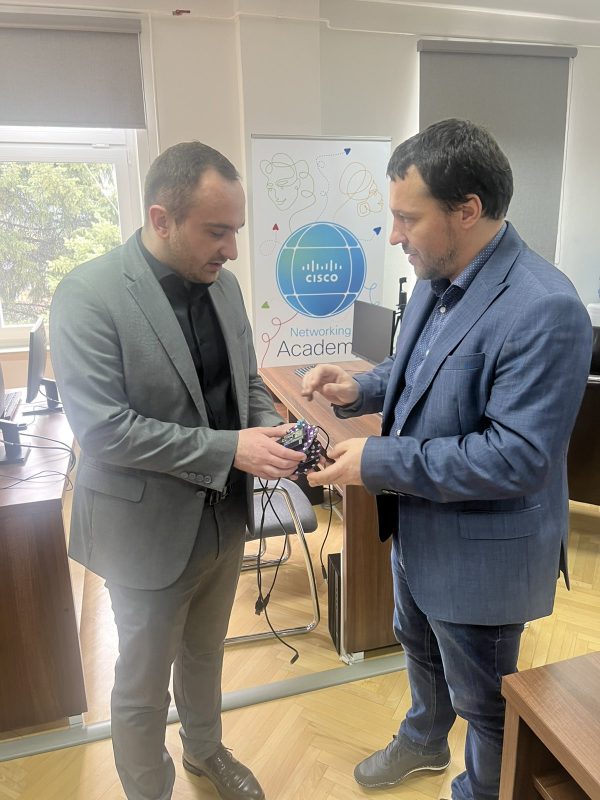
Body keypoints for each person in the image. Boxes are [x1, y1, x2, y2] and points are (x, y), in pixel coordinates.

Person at [302, 119, 592, 800]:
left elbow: (517, 458)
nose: (394, 235)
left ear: (467, 210)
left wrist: (378, 460)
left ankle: (478, 791)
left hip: (484, 553)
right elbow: (419, 370)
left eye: (408, 218)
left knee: (487, 703)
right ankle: (424, 741)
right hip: (420, 528)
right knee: (419, 647)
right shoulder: (438, 278)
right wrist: (360, 388)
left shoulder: (545, 308)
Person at [50, 141, 305, 800]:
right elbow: (103, 429)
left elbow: (247, 382)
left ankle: (205, 751)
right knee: (141, 683)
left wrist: (271, 434)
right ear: (161, 219)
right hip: (145, 531)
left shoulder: (227, 287)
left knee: (205, 652)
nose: (232, 250)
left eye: (236, 230)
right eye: (217, 231)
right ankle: (149, 791)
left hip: (225, 517)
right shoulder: (87, 295)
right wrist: (231, 450)